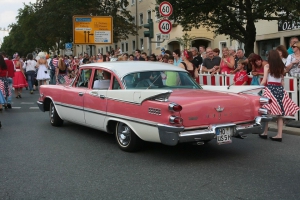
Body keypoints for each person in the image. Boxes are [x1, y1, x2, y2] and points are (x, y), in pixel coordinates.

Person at [259, 50, 300, 142]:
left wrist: (258, 87)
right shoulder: (281, 67)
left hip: (270, 89)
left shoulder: (267, 66)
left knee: (266, 111)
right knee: (280, 114)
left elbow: (264, 80)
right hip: (279, 90)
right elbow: (282, 81)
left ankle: (265, 133)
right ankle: (279, 135)